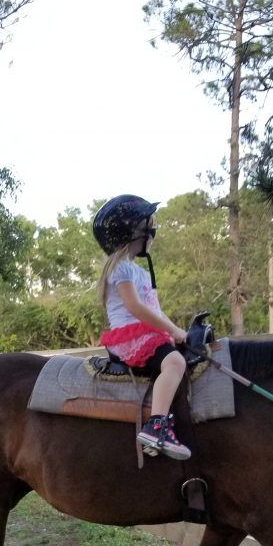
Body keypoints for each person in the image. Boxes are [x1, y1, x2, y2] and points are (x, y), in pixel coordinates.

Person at [93, 194, 191, 461]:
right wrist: (175, 330)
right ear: (134, 232)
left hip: (146, 333)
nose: (153, 231)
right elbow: (136, 308)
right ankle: (157, 425)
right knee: (174, 364)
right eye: (148, 225)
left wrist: (173, 330)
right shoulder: (121, 269)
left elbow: (153, 310)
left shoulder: (140, 272)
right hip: (131, 337)